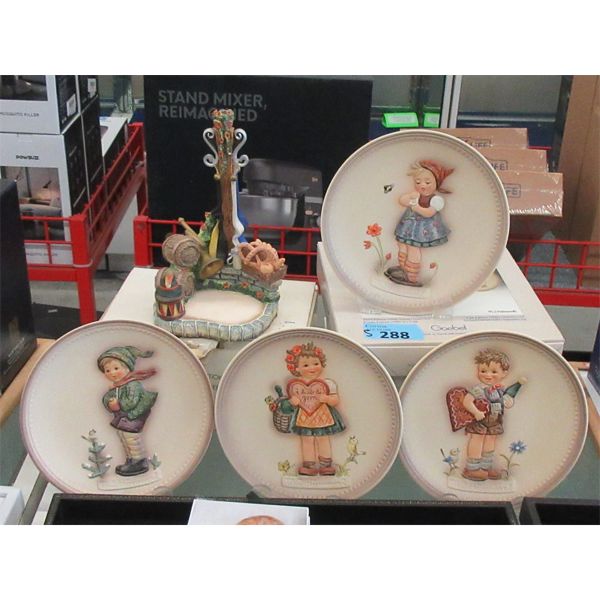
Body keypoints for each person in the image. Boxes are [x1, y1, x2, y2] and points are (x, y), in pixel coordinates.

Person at [385, 160, 454, 286]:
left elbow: (429, 213)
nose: (422, 185)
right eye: (418, 182)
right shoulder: (416, 195)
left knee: (413, 248)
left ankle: (411, 276)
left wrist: (417, 208)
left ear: (436, 183)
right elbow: (402, 201)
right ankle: (403, 267)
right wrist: (409, 197)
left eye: (427, 182)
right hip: (408, 227)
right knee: (402, 244)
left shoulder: (436, 199)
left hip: (423, 229)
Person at [285, 342, 345, 476]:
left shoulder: (328, 384)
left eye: (316, 363)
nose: (312, 368)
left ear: (322, 364)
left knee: (323, 438)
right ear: (297, 368)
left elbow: (335, 400)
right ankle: (309, 465)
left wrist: (327, 399)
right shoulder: (296, 385)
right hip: (304, 417)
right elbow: (291, 401)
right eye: (306, 365)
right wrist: (293, 402)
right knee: (306, 439)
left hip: (323, 417)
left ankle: (326, 465)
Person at [98, 346, 158, 477]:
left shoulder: (132, 384)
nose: (112, 373)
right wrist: (109, 403)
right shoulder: (117, 386)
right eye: (107, 370)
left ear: (127, 368)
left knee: (131, 438)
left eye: (116, 368)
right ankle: (130, 460)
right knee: (123, 436)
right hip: (123, 418)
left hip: (133, 417)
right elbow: (107, 398)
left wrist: (118, 405)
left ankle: (139, 461)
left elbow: (132, 402)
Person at [461, 349, 514, 481]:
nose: (488, 375)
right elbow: (467, 401)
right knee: (477, 440)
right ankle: (472, 469)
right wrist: (476, 412)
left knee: (491, 440)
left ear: (504, 373)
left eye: (494, 372)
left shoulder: (499, 390)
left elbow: (504, 402)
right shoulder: (478, 389)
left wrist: (508, 402)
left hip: (495, 420)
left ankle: (486, 467)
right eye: (483, 371)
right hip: (480, 419)